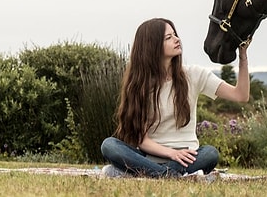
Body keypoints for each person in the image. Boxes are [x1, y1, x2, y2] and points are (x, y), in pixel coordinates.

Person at [100, 18, 250, 178]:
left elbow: (240, 95)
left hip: (187, 158)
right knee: (109, 145)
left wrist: (242, 56)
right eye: (168, 37)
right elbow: (142, 140)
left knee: (210, 154)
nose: (177, 39)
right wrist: (171, 153)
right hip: (149, 158)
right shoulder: (140, 85)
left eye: (175, 35)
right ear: (153, 46)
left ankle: (142, 174)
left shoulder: (194, 74)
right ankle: (169, 175)